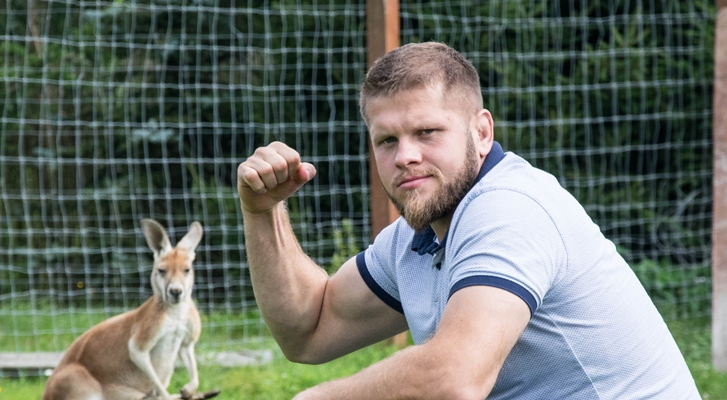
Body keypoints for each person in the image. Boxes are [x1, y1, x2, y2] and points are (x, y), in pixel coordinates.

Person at [236, 42, 699, 399]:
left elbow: (455, 379)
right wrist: (263, 213)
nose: (406, 156)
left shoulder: (509, 209)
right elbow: (310, 331)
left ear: (481, 132)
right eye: (387, 140)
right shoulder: (414, 239)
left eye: (427, 132)